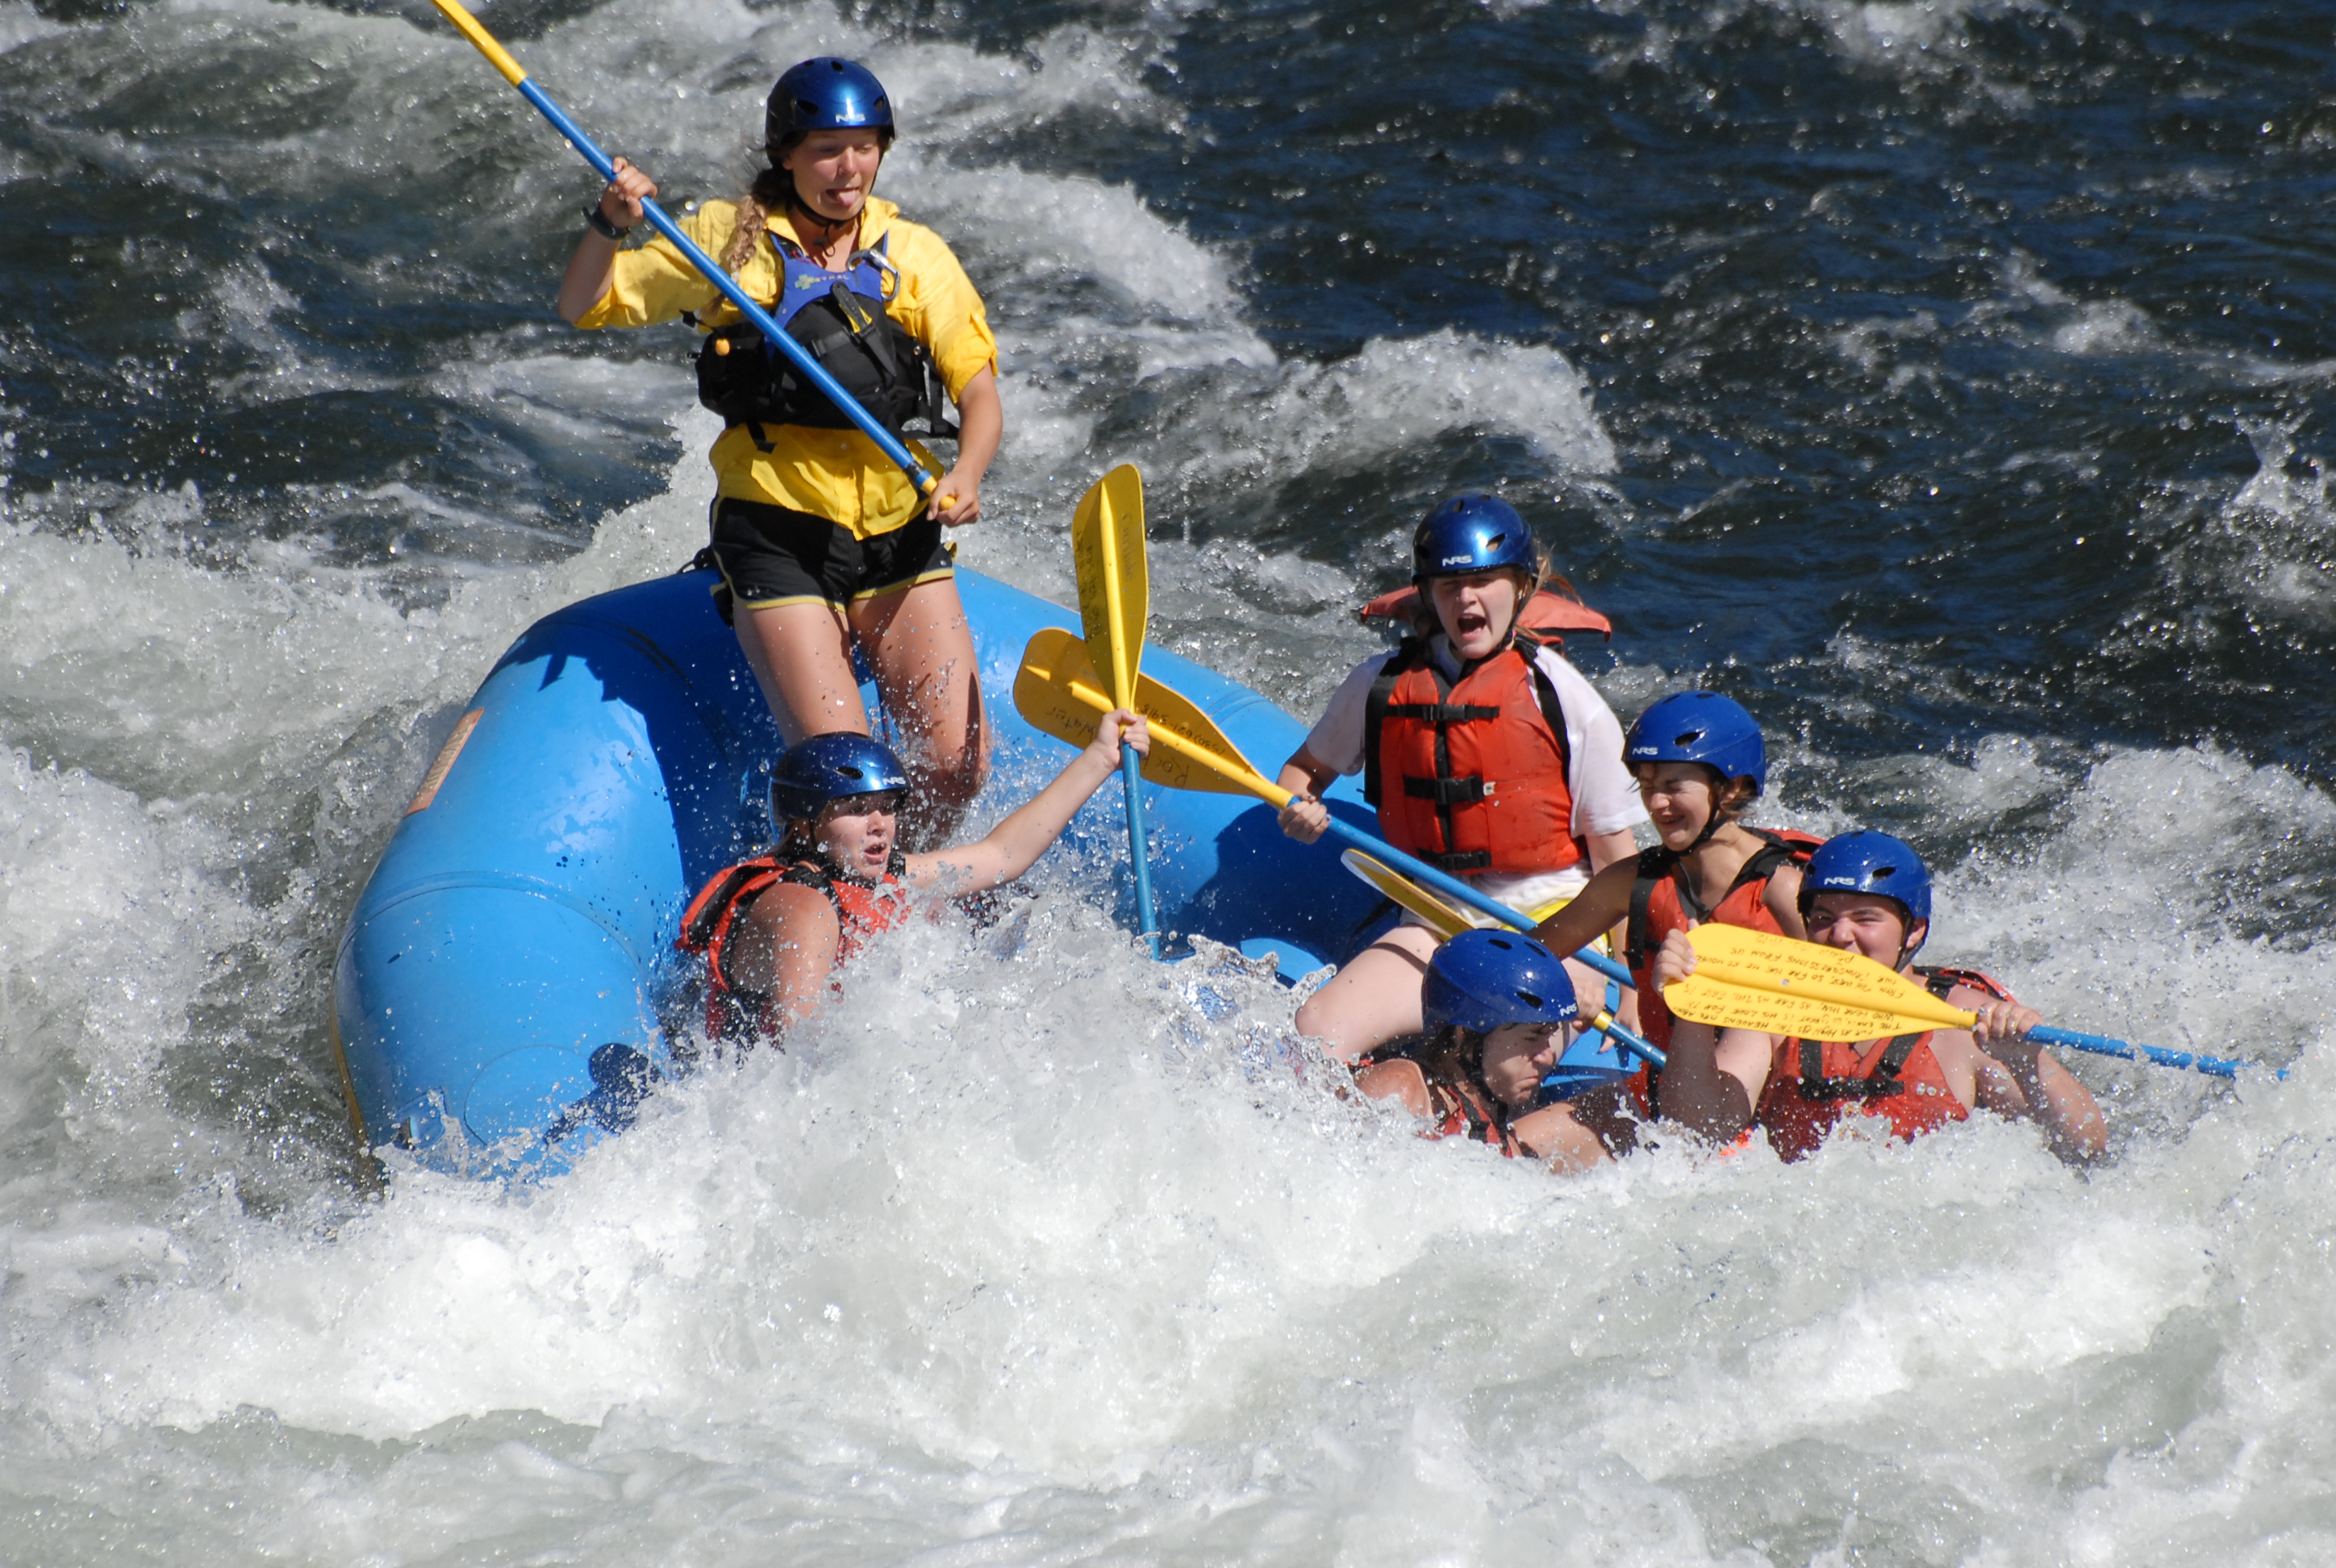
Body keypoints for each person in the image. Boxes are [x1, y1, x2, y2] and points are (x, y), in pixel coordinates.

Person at [558, 57, 1002, 844]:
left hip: (896, 526)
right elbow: (583, 303)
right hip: (777, 528)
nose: (848, 169)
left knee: (955, 767)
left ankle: (897, 887)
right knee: (846, 781)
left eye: (864, 147)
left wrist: (965, 474)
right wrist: (610, 223)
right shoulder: (725, 240)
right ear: (786, 155)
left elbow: (979, 393)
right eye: (827, 150)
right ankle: (823, 880)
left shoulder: (914, 254)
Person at [1275, 494, 1646, 1061]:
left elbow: (1619, 862)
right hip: (1434, 918)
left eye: (1483, 582)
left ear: (1520, 587)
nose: (1466, 599)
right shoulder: (1379, 684)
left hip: (1556, 923)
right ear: (1428, 594)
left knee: (1499, 1061)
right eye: (1449, 586)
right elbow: (1303, 772)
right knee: (1316, 1030)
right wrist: (1295, 808)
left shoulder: (1563, 696)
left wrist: (1631, 989)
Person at [1647, 831, 2109, 1164]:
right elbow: (1700, 1132)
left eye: (1865, 918)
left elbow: (2084, 1149)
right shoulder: (1774, 1010)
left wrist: (2027, 1064)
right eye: (1823, 918)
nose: (1840, 935)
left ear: (1914, 931)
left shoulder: (1964, 1020)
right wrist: (1693, 1009)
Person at [678, 715, 1146, 1038]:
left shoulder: (869, 876)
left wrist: (1100, 757)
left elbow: (1002, 855)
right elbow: (799, 1046)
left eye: (887, 807)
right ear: (804, 825)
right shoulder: (804, 908)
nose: (879, 825)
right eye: (856, 809)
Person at [1529, 690, 1821, 1124]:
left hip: (1763, 1111)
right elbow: (1527, 957)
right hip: (1660, 1093)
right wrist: (1564, 990)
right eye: (1647, 787)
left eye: (1673, 786)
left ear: (1731, 788)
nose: (1655, 804)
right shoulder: (1633, 881)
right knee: (1523, 1142)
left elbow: (1840, 1006)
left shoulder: (1785, 889)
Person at [1352, 929, 1609, 1169]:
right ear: (1465, 1033)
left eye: (1548, 1037)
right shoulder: (1399, 1088)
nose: (1548, 1056)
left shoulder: (1507, 1149)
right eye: (1532, 1037)